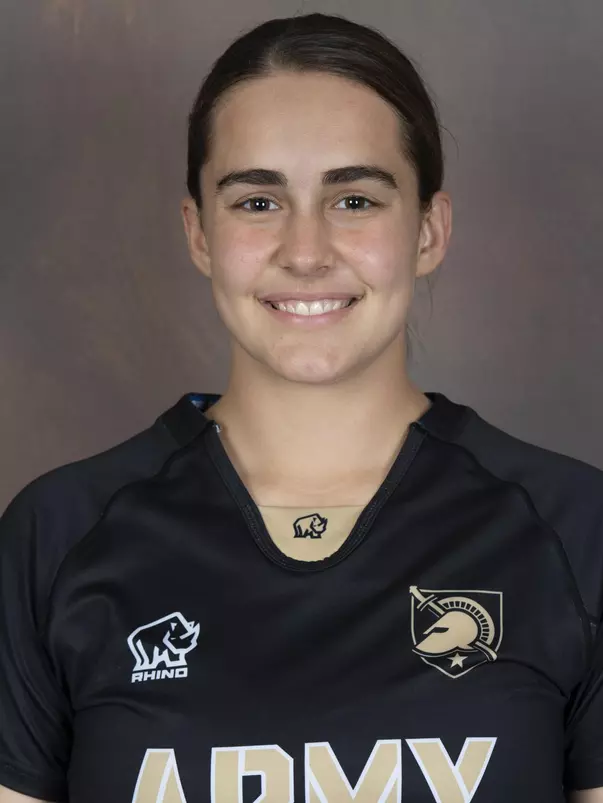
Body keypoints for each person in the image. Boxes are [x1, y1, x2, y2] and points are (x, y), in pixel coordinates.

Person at [0, 10, 602, 802]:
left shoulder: (572, 529)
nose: (307, 251)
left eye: (354, 200)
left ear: (428, 230)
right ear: (198, 232)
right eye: (257, 202)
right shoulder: (60, 535)